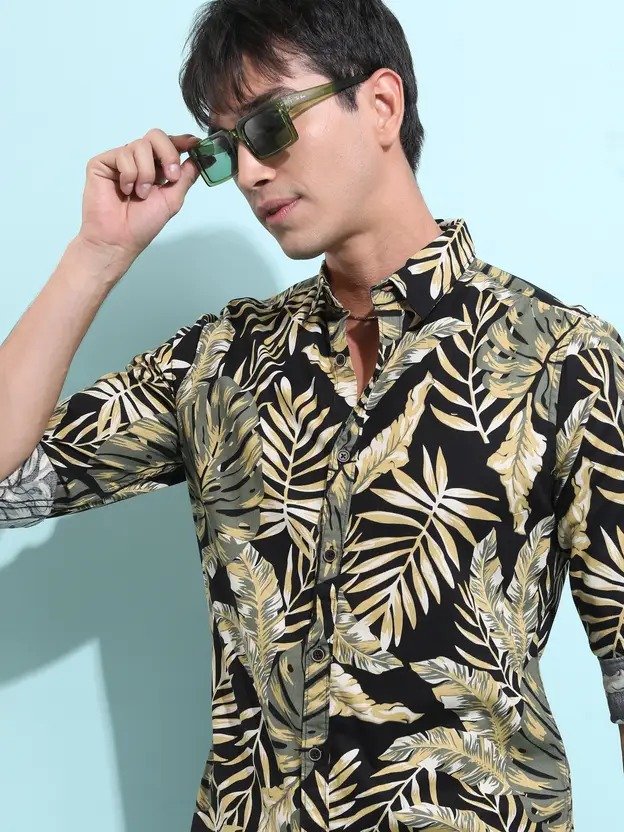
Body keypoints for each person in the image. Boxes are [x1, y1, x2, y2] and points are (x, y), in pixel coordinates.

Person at [1, 1, 622, 830]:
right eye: (225, 149)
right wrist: (97, 255)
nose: (250, 173)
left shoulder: (559, 357)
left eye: (268, 125)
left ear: (382, 105)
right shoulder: (223, 362)